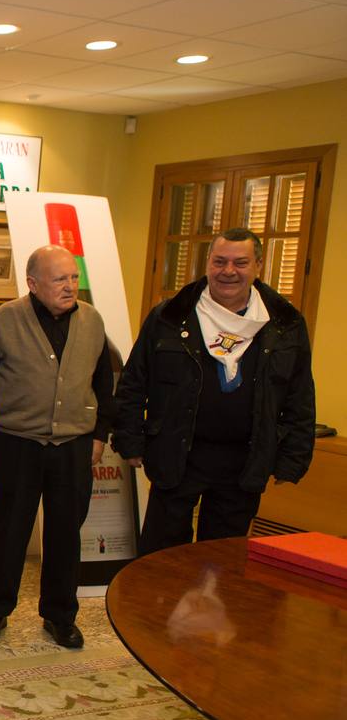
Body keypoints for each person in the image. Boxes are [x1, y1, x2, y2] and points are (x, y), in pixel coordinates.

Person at [114, 228, 315, 555]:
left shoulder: (284, 324)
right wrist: (129, 439)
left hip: (244, 462)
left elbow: (299, 395)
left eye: (240, 262)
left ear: (258, 266)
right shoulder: (169, 316)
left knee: (221, 563)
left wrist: (293, 459)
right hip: (177, 451)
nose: (228, 271)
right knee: (160, 559)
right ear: (207, 262)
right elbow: (134, 382)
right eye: (219, 261)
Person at [0, 245, 115, 649]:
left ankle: (60, 616)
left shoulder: (94, 321)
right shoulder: (5, 320)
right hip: (16, 444)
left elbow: (105, 384)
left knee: (66, 531)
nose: (69, 286)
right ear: (32, 283)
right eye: (59, 279)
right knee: (8, 530)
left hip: (73, 446)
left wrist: (100, 435)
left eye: (73, 277)